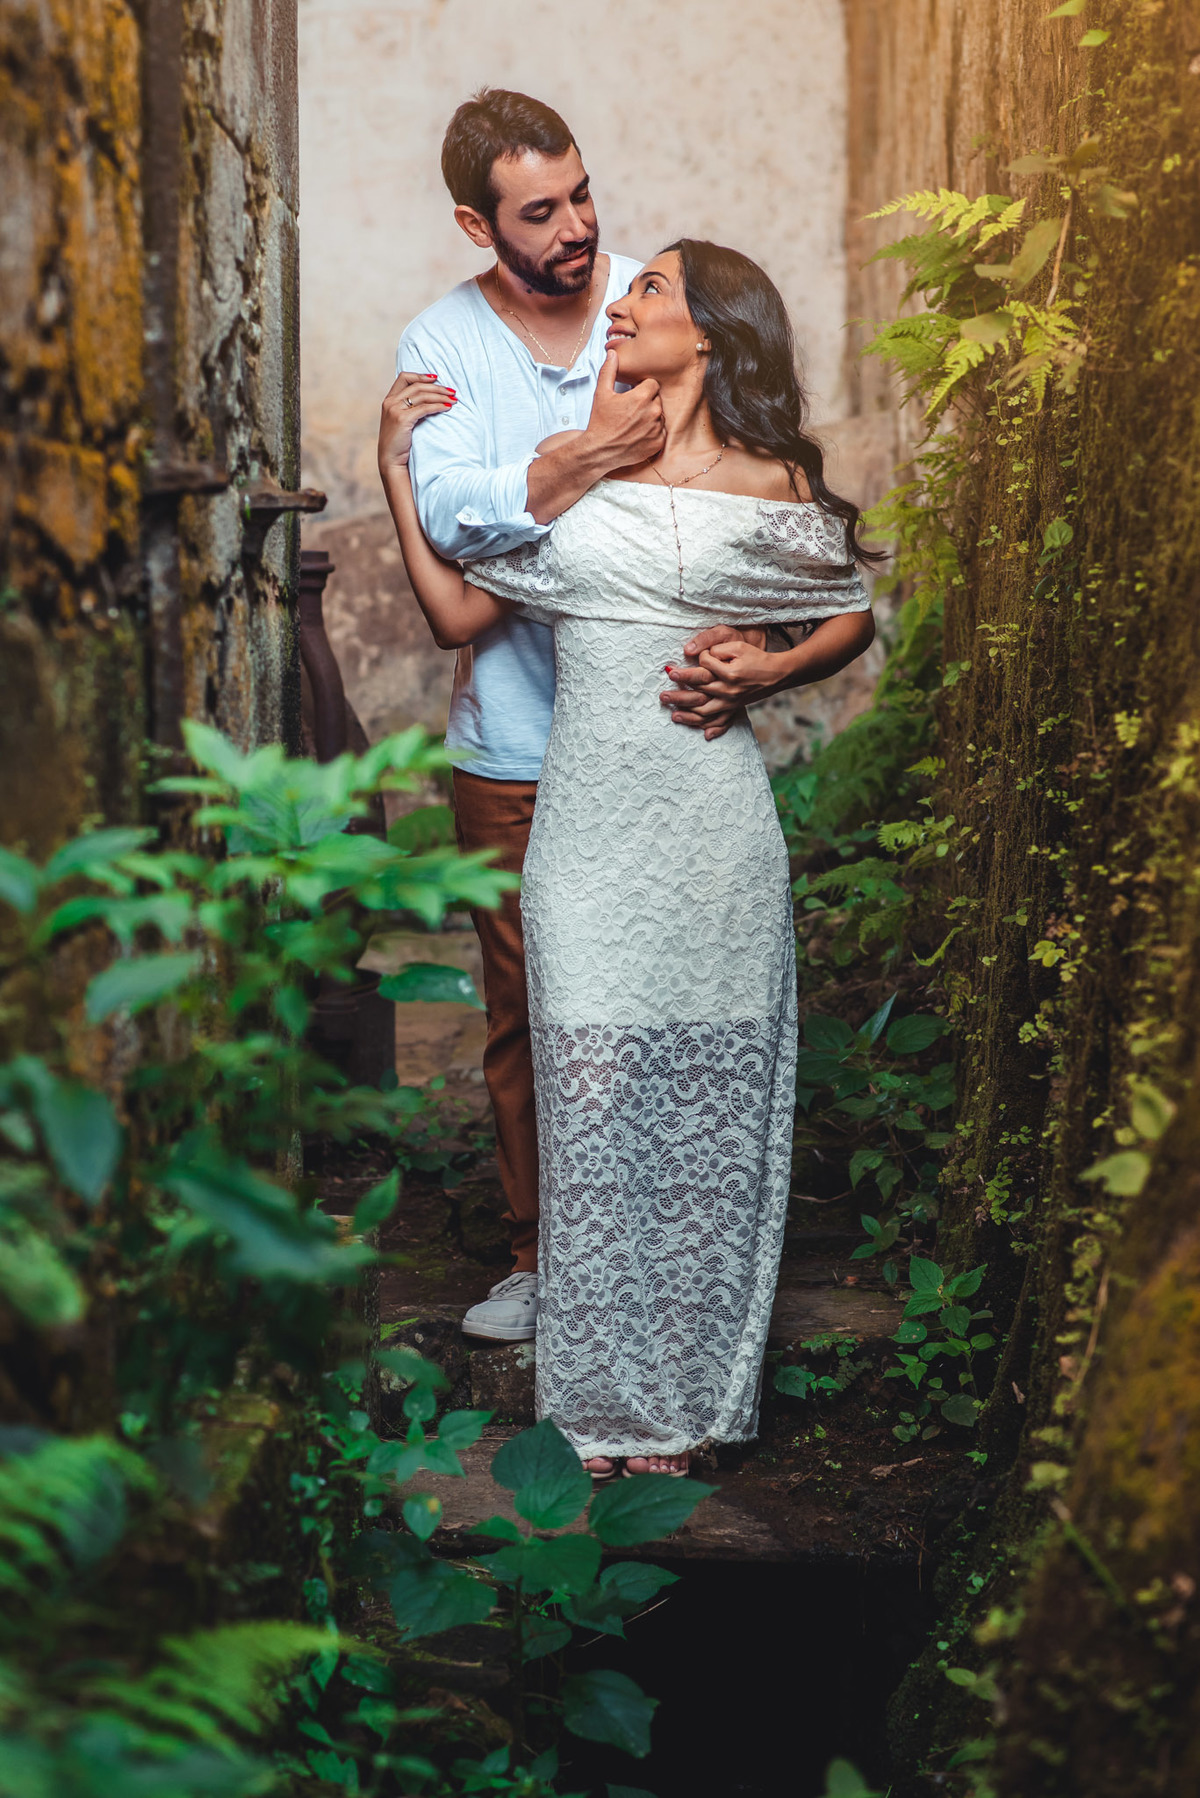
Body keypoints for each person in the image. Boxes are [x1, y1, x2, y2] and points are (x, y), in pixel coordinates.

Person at [379, 238, 877, 1477]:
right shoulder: (580, 476)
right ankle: (600, 1406)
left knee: (707, 1108)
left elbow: (850, 608)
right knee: (595, 1113)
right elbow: (455, 605)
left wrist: (766, 668)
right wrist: (395, 467)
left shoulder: (768, 482)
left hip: (711, 839)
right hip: (584, 844)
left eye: (650, 288)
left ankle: (689, 1404)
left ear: (708, 333)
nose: (623, 301)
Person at [394, 90, 773, 1345]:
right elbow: (455, 542)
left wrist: (532, 489)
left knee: (658, 1004)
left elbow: (716, 487)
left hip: (662, 732)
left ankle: (665, 1254)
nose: (577, 228)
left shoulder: (651, 304)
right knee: (528, 1009)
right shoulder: (439, 348)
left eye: (582, 193)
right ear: (474, 222)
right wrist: (582, 461)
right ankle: (541, 1255)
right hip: (513, 741)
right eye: (539, 210)